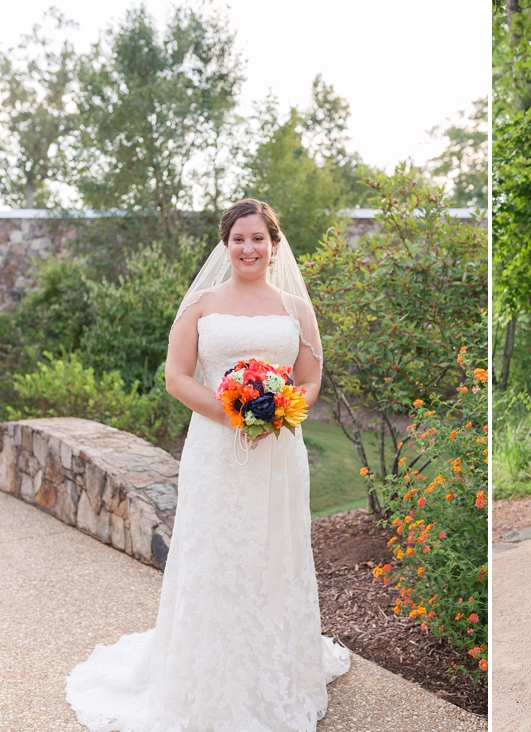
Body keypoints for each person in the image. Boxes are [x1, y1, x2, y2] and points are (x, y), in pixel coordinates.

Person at [66, 200, 350, 730]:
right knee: (216, 551)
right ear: (226, 244)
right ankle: (207, 675)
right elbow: (176, 378)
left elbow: (311, 380)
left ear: (274, 244)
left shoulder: (295, 308)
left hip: (280, 451)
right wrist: (236, 411)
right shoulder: (200, 302)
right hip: (217, 451)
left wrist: (281, 409)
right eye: (239, 239)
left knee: (274, 553)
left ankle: (273, 669)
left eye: (258, 239)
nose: (249, 248)